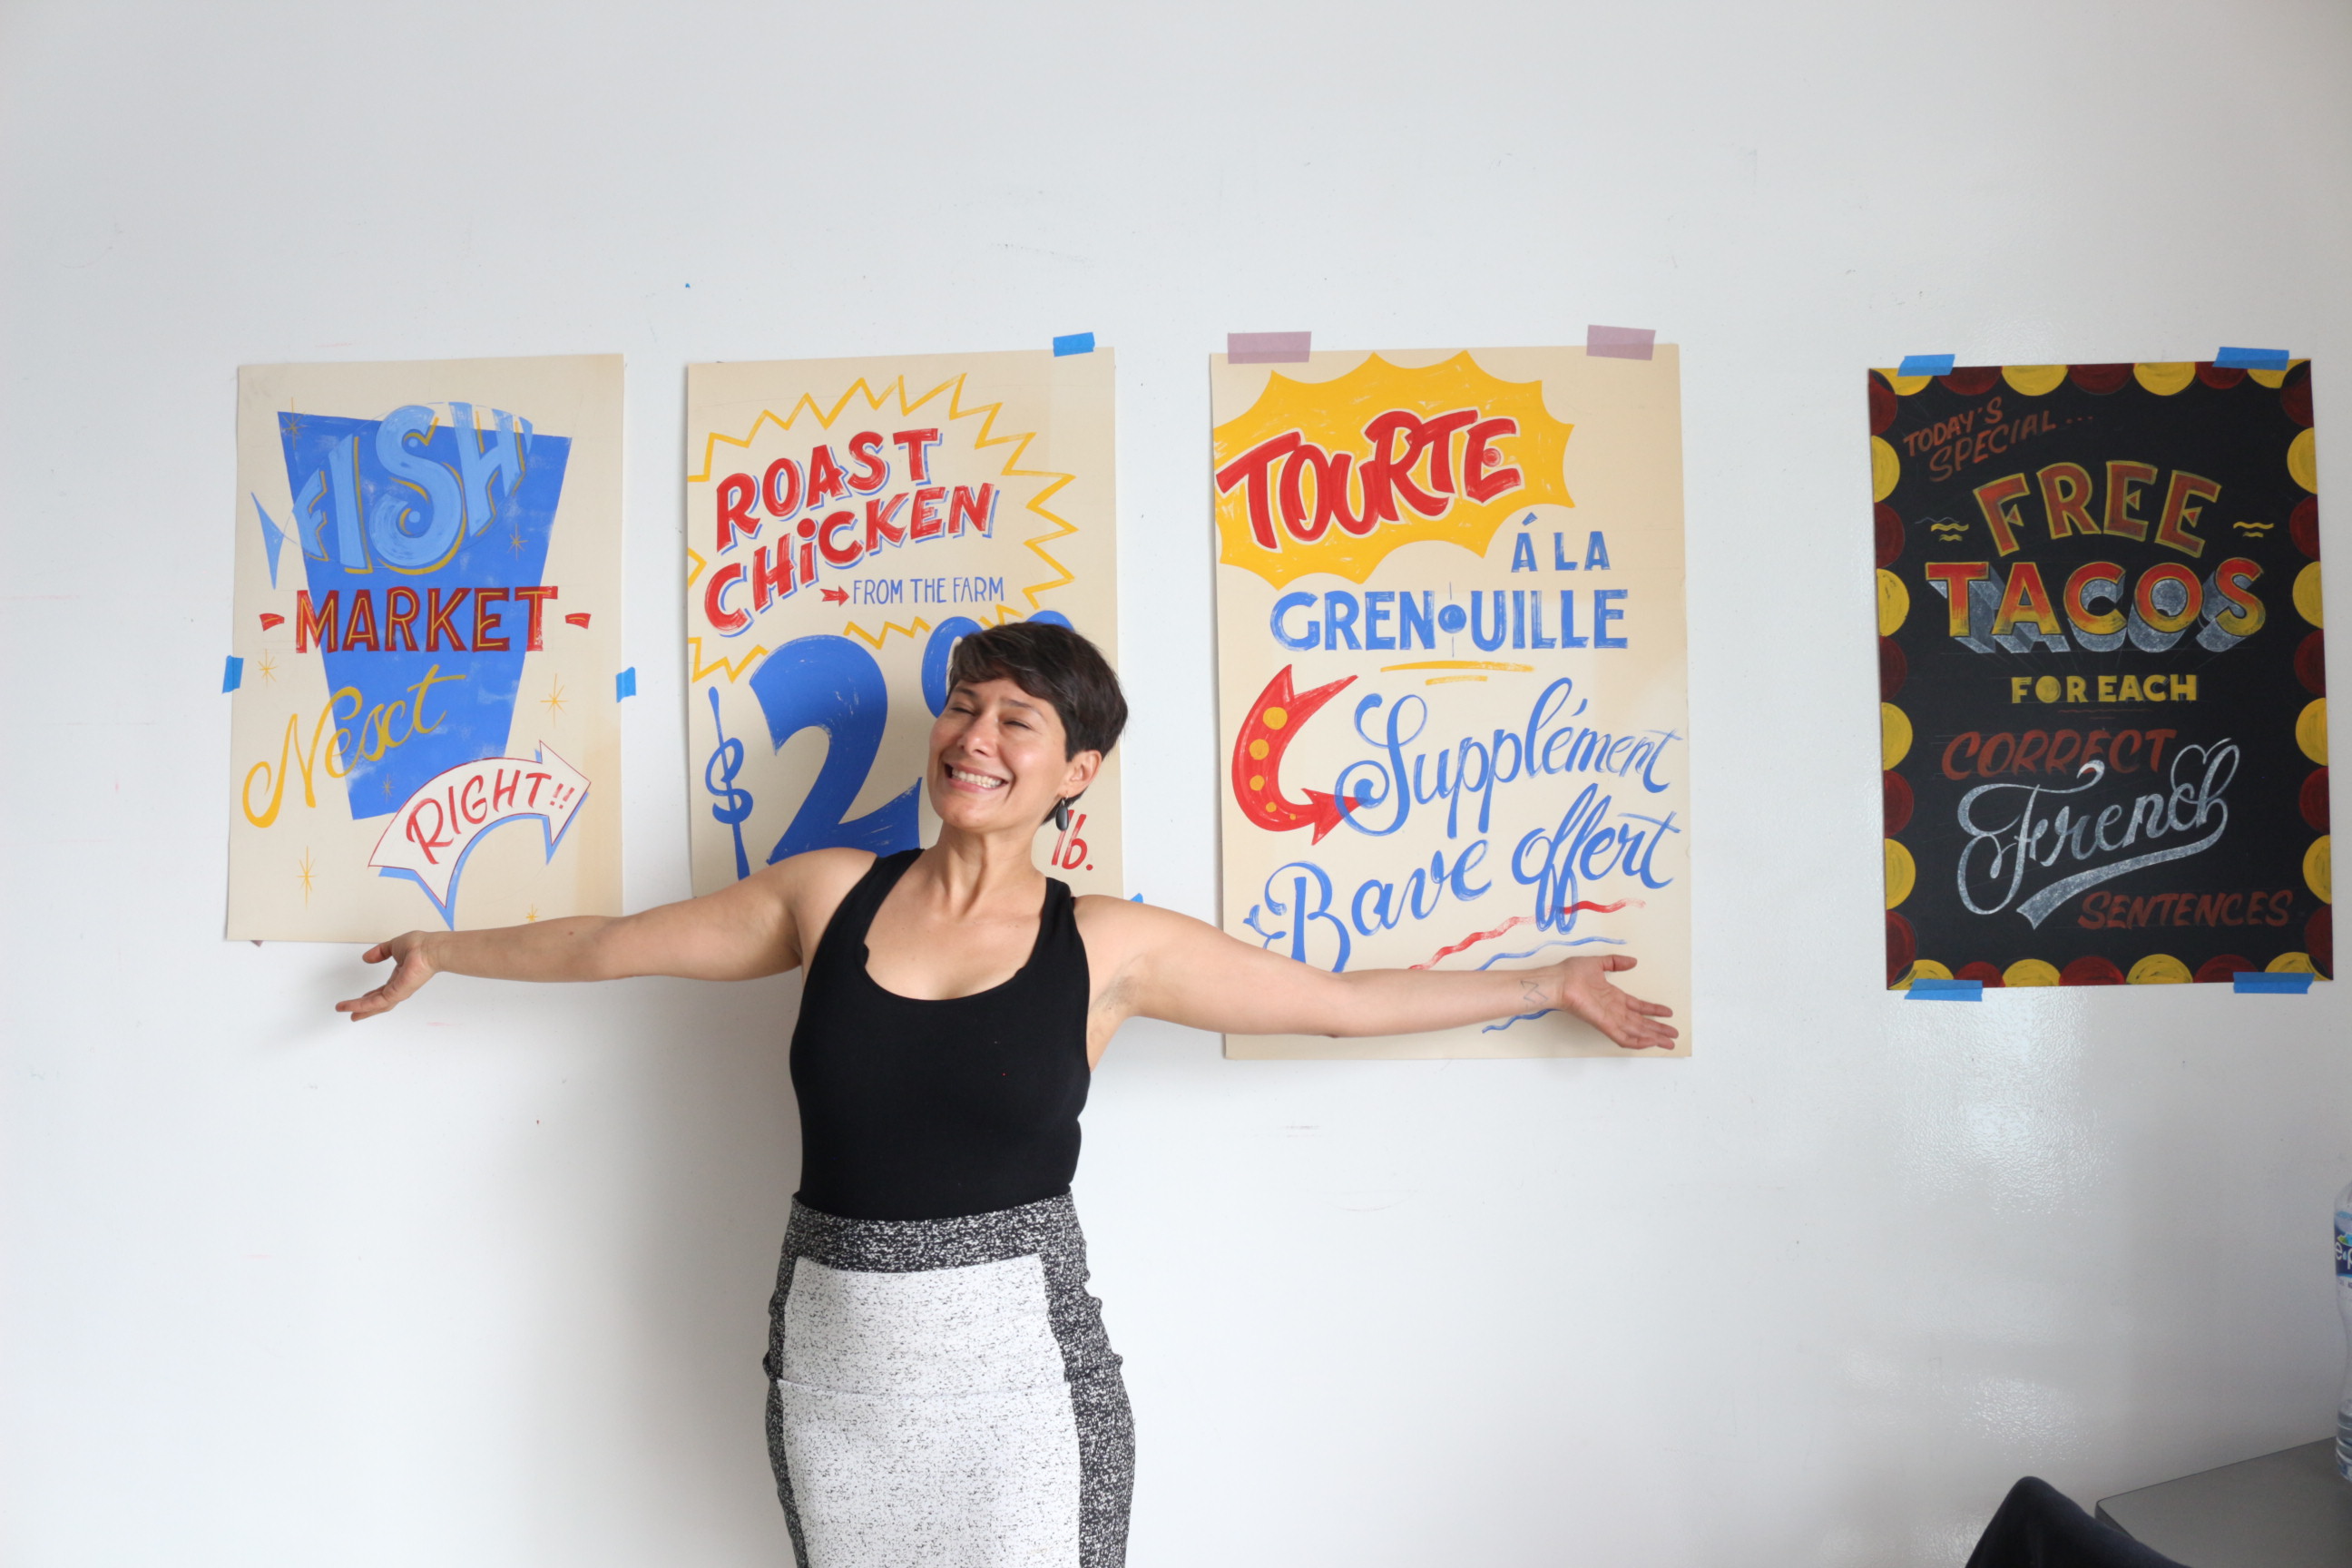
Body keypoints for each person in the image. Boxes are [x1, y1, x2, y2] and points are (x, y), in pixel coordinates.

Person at [338, 621, 1675, 1568]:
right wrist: (448, 949)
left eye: (1016, 721)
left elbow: (1339, 1001)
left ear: (1075, 770)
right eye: (964, 708)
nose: (976, 737)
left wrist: (1542, 983)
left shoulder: (1110, 945)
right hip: (836, 1388)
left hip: (1024, 1403)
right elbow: (610, 944)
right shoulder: (825, 895)